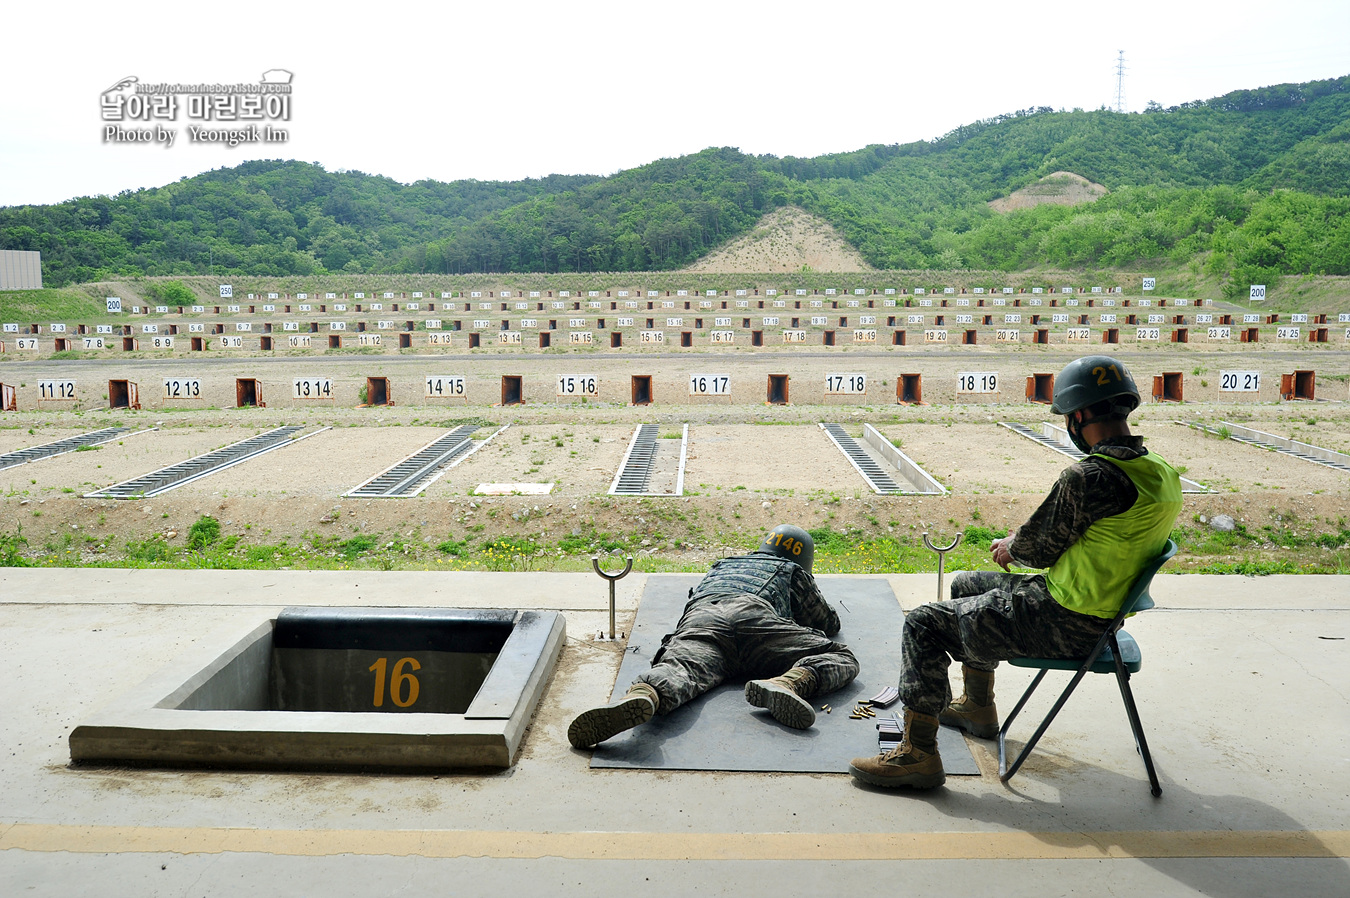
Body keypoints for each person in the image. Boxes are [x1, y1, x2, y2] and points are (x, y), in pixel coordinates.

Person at [849, 356, 1183, 789]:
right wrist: (1025, 543)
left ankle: (917, 755)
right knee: (965, 583)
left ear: (1078, 417)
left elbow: (1036, 550)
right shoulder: (1159, 470)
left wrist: (1010, 546)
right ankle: (977, 707)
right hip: (1101, 611)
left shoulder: (1090, 477)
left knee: (923, 624)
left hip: (1065, 621)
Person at [569, 525, 860, 749]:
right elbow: (827, 622)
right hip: (755, 620)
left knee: (681, 668)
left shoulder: (723, 565)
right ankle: (788, 683)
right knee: (841, 656)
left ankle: (645, 694)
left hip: (703, 617)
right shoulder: (788, 568)